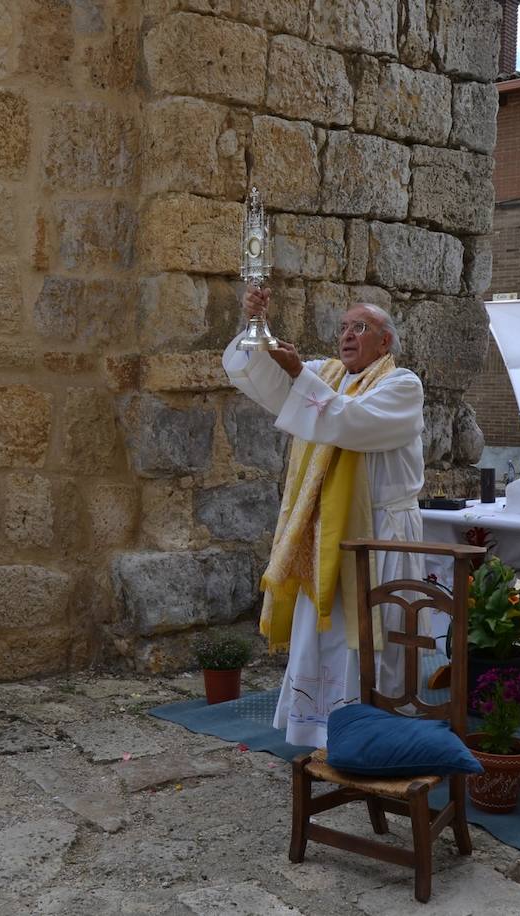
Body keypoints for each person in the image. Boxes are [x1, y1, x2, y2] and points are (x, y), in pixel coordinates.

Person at [223, 288, 427, 748]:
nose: (348, 335)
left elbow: (349, 423)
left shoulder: (401, 386)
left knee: (380, 638)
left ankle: (378, 733)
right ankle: (321, 730)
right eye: (343, 327)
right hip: (328, 533)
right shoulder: (326, 375)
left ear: (385, 342)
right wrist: (257, 328)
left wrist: (298, 373)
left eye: (361, 327)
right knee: (327, 636)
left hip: (382, 534)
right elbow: (267, 384)